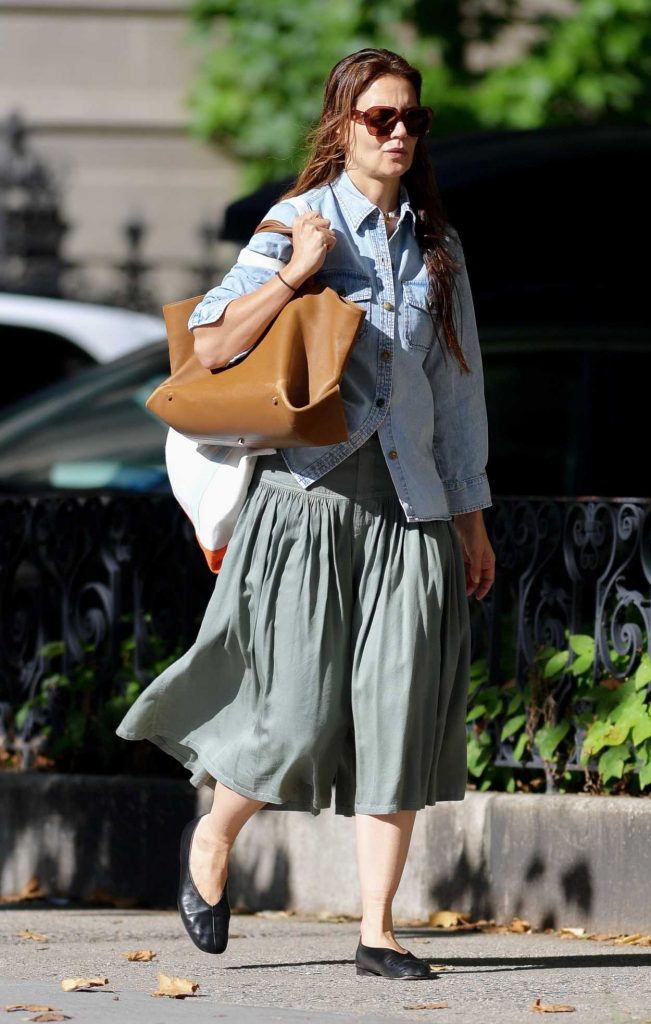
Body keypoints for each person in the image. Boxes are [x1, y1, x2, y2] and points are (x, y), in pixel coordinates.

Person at [115, 46, 495, 980]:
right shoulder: (297, 222)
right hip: (307, 501)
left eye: (411, 119)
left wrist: (470, 516)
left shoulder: (437, 247)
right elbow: (207, 345)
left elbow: (456, 392)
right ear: (342, 125)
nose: (399, 132)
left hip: (409, 506)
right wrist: (294, 276)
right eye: (379, 118)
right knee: (291, 713)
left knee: (397, 713)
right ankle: (213, 844)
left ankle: (377, 930)